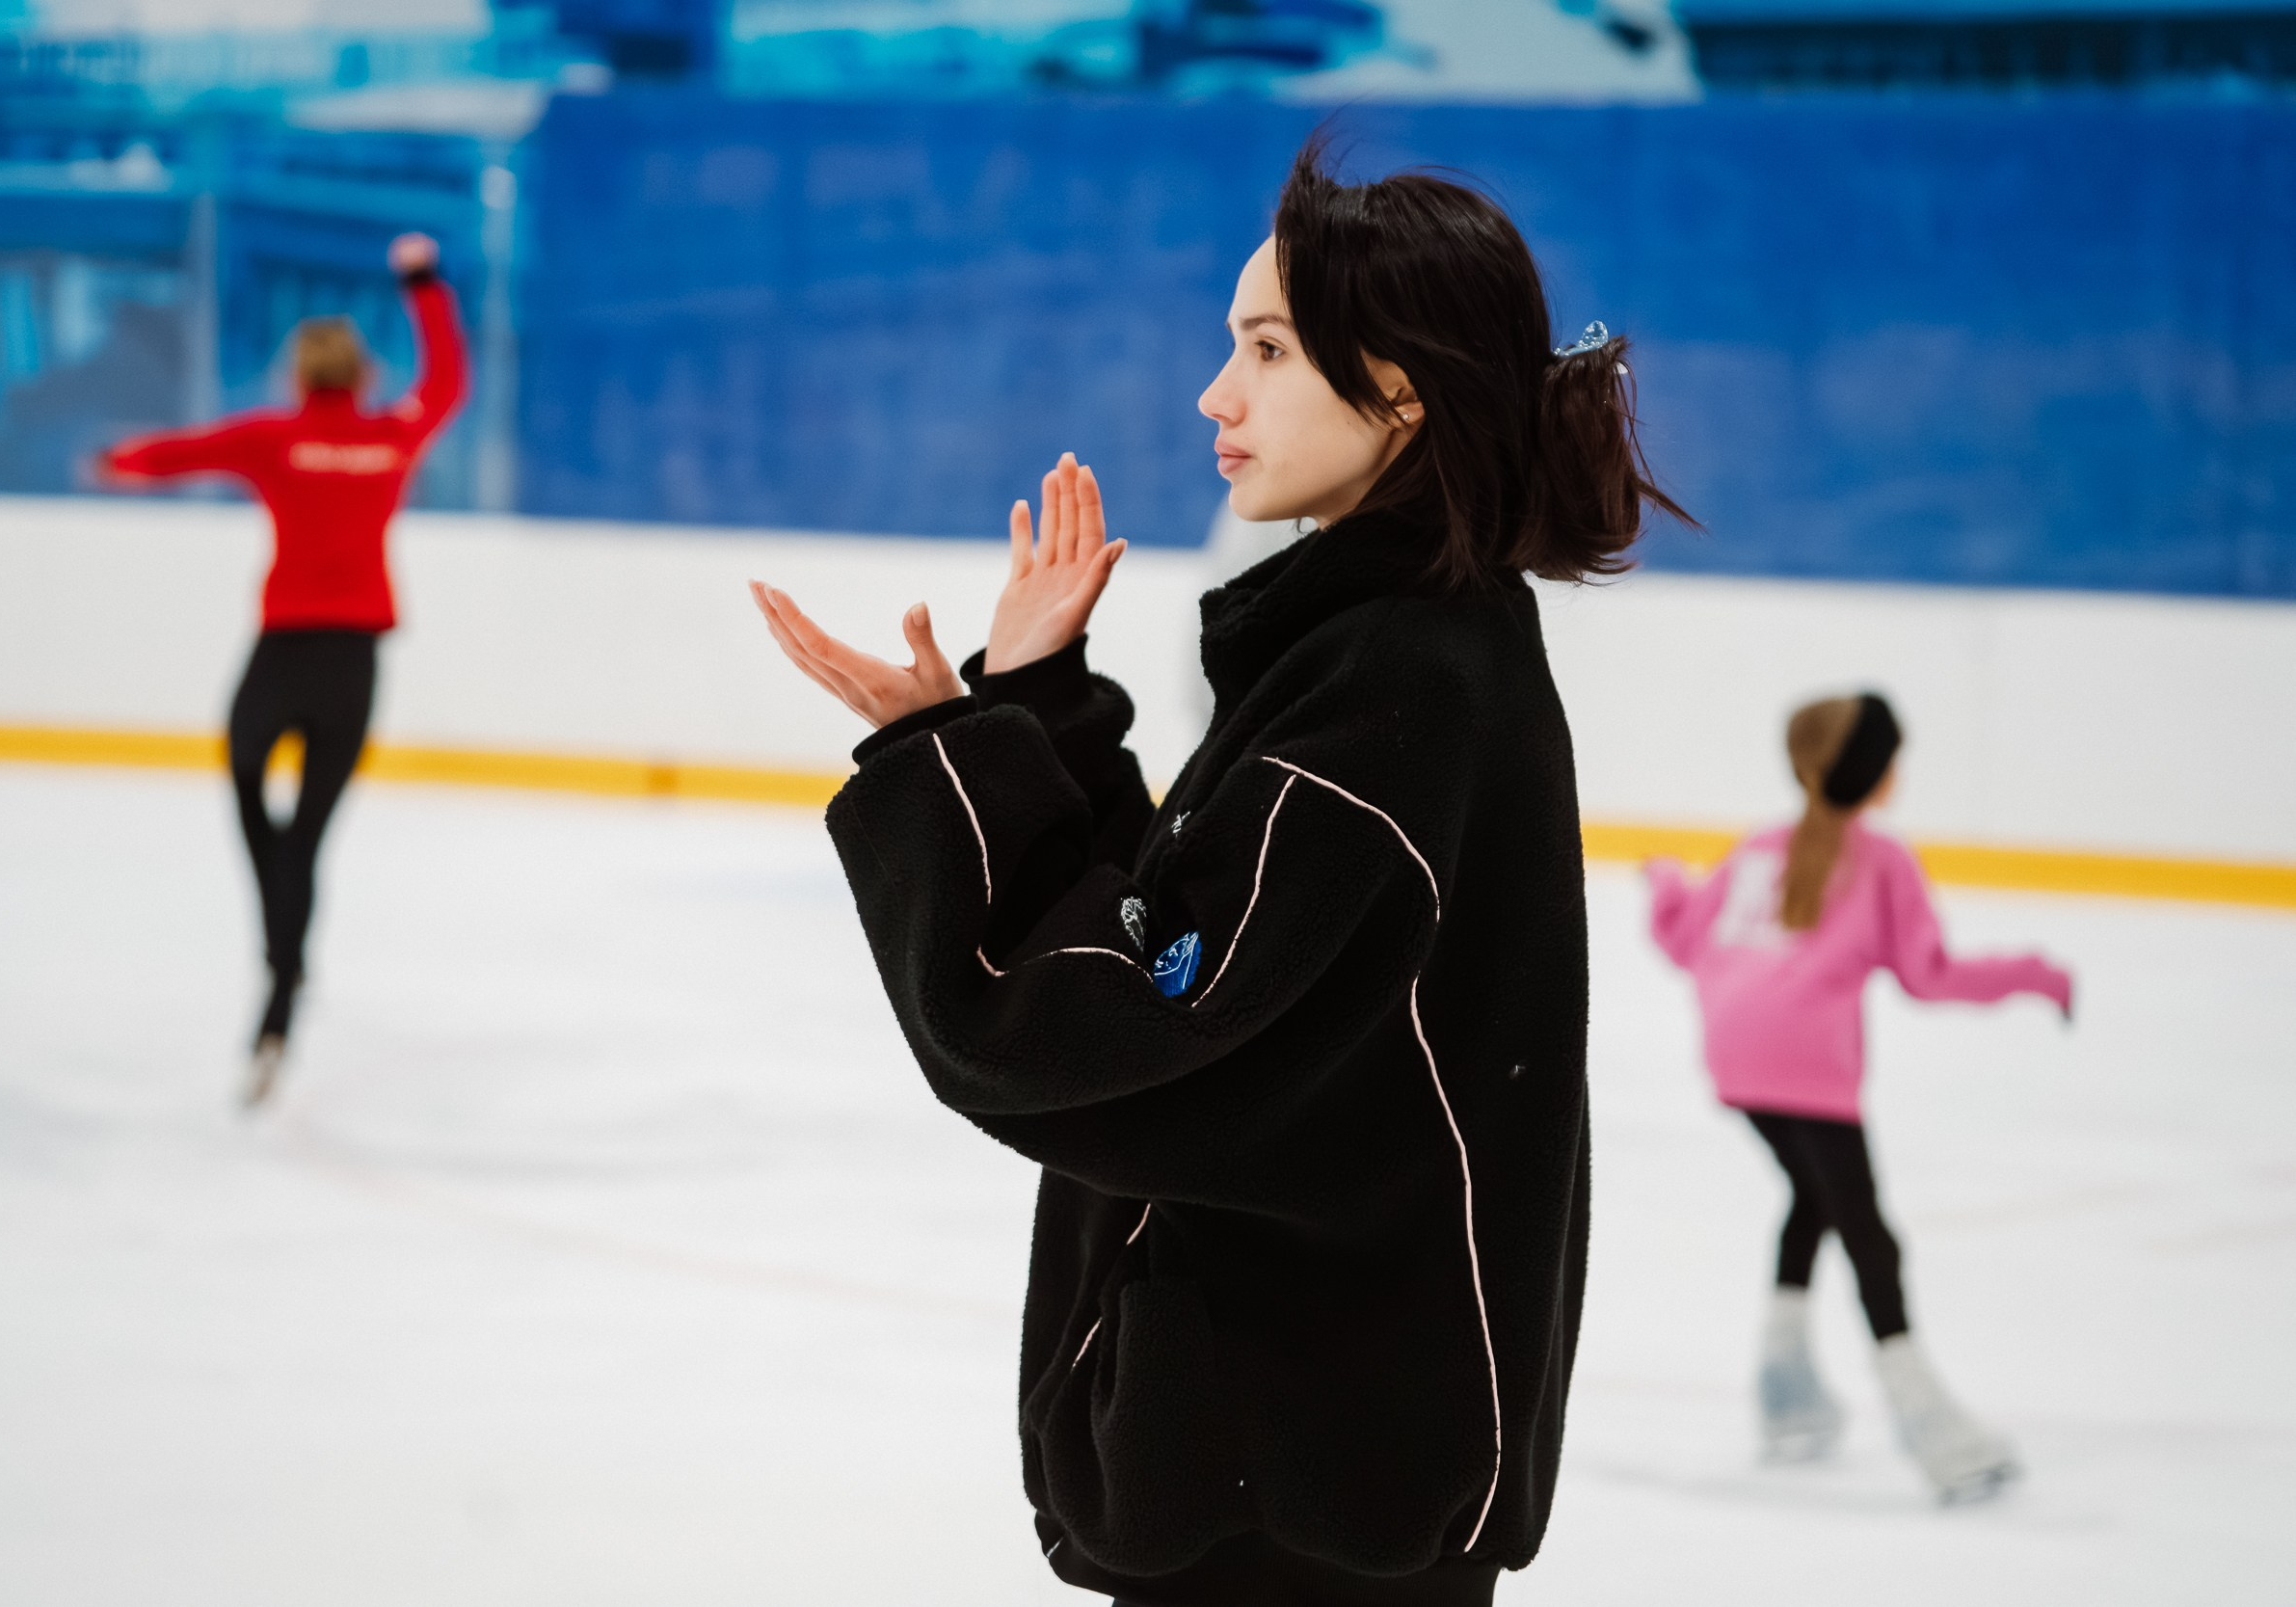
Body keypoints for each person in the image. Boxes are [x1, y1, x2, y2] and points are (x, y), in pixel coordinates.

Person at [750, 141, 1685, 1605]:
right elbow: (1192, 942)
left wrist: (952, 770)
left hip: (1298, 1510)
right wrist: (1036, 703)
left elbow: (1116, 1043)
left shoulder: (1397, 690)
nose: (1216, 395)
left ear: (1400, 389)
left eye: (1264, 348)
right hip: (1305, 1478)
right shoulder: (1390, 656)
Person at [1644, 692, 2072, 1504]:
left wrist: (1666, 880)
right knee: (1869, 1232)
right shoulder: (1881, 858)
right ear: (1872, 773)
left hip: (1735, 1059)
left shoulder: (1757, 847)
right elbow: (1929, 976)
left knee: (1813, 1196)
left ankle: (1786, 1389)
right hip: (1808, 1067)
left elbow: (1680, 941)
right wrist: (2034, 974)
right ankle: (1935, 1431)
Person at [99, 232, 467, 1106]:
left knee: (249, 799)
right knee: (305, 841)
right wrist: (422, 284)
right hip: (353, 668)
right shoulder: (392, 437)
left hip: (280, 660)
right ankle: (280, 1001)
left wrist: (122, 462)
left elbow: (184, 452)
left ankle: (281, 974)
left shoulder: (277, 436)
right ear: (363, 378)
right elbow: (448, 380)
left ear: (301, 378)